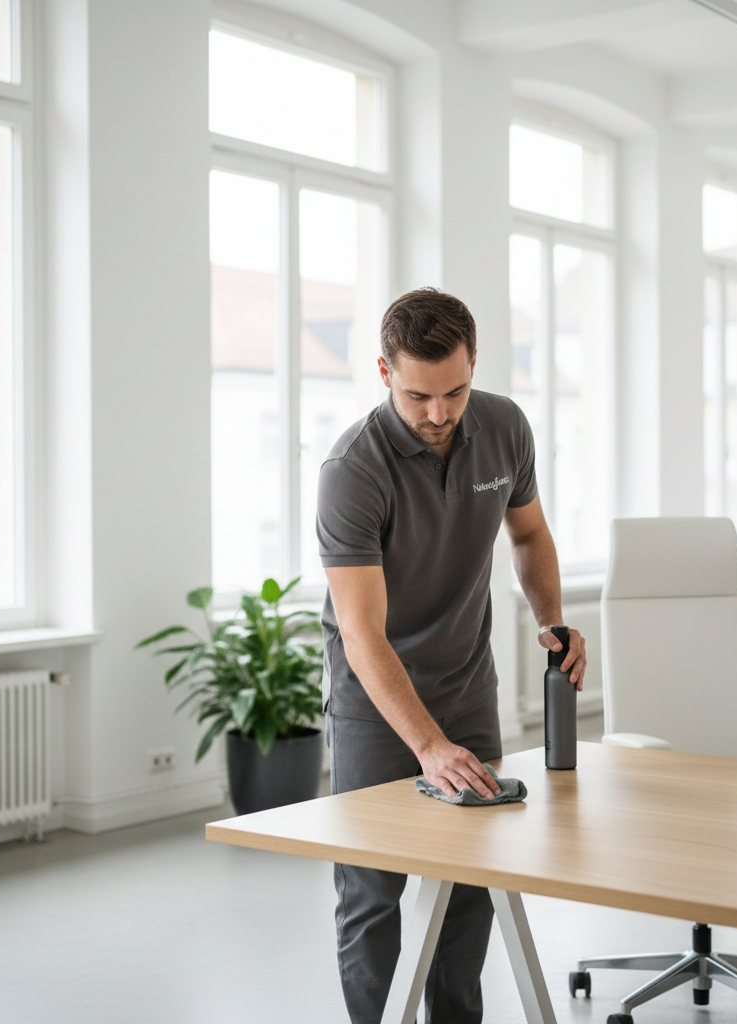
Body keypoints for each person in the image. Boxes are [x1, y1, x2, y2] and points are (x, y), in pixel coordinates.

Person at [316, 287, 587, 1024]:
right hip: (377, 704)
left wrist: (551, 620)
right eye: (417, 396)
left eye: (455, 391)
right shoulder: (353, 470)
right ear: (382, 371)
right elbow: (363, 634)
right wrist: (427, 745)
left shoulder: (503, 426)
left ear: (476, 365)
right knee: (375, 893)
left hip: (468, 685)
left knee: (472, 885)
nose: (438, 414)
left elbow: (528, 536)